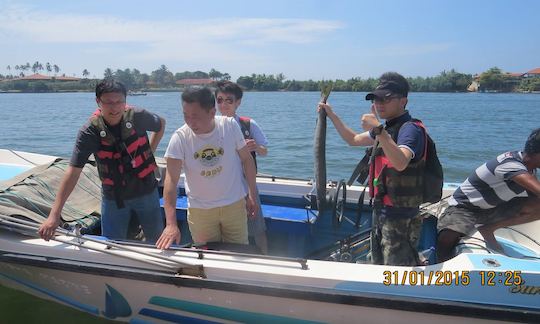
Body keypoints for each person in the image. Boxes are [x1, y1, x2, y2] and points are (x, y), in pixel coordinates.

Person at [318, 72, 429, 266]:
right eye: (376, 99)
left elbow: (401, 162)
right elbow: (352, 140)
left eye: (386, 99)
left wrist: (379, 131)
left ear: (403, 101)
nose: (379, 103)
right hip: (381, 210)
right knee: (378, 263)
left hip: (401, 215)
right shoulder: (388, 129)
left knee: (396, 271)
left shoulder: (410, 129)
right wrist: (331, 114)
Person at [38, 79, 166, 243]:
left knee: (158, 241)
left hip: (146, 192)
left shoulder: (138, 116)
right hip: (114, 198)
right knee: (111, 246)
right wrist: (53, 216)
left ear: (125, 101)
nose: (114, 107)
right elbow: (72, 172)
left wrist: (150, 152)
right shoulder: (89, 132)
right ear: (98, 101)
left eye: (119, 101)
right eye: (108, 102)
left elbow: (161, 124)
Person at [157, 87, 258, 250]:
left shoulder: (229, 126)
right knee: (207, 257)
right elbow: (171, 181)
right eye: (186, 116)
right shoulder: (180, 138)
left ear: (212, 112)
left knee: (239, 254)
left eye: (195, 116)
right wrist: (171, 224)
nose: (190, 122)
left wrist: (252, 193)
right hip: (200, 211)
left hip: (234, 205)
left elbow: (247, 160)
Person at [437, 128, 540, 262]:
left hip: (490, 209)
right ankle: (439, 261)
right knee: (448, 237)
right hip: (464, 207)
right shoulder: (511, 164)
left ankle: (489, 229)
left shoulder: (529, 168)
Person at [215, 80, 269, 254]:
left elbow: (264, 151)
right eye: (219, 100)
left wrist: (255, 147)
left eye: (229, 100)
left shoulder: (248, 124)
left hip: (246, 185)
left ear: (238, 102)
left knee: (257, 229)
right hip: (222, 187)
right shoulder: (210, 127)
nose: (223, 105)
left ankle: (265, 260)